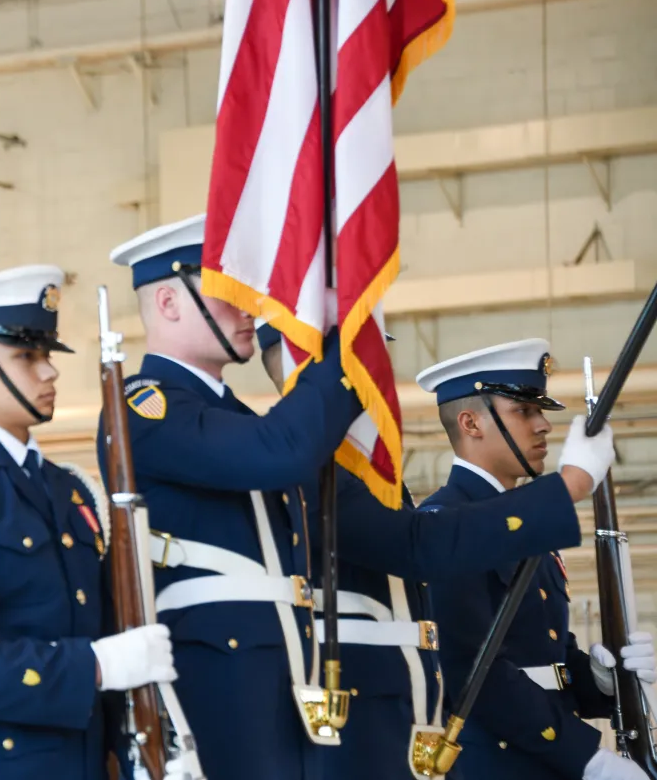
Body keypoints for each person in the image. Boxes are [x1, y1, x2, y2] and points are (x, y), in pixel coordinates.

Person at [256, 324, 593, 780]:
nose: (379, 381)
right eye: (365, 363)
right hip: (400, 747)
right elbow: (466, 657)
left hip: (401, 736)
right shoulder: (314, 483)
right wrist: (567, 488)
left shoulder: (380, 493)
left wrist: (597, 682)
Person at [0, 265, 181, 780]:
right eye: (27, 355)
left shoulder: (66, 489)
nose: (49, 372)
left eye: (46, 355)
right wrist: (94, 666)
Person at [101, 215, 362, 780]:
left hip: (285, 677)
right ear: (168, 303)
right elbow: (279, 451)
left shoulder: (234, 418)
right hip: (216, 684)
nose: (250, 308)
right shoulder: (142, 409)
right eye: (229, 293)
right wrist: (346, 345)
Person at [418, 339, 655, 780]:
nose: (544, 425)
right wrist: (587, 759)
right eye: (523, 411)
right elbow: (472, 671)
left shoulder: (524, 523)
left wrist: (600, 681)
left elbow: (547, 650)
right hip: (495, 761)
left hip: (543, 756)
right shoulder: (445, 522)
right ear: (470, 422)